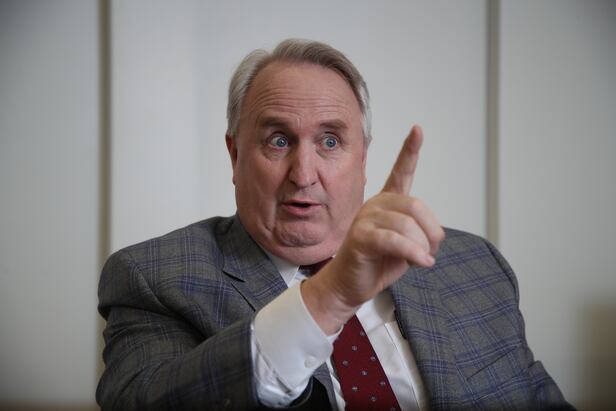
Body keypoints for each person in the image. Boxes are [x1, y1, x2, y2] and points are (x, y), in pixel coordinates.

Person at [97, 39, 573, 411]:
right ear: (235, 154)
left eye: (329, 141)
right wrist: (332, 296)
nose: (303, 175)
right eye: (278, 140)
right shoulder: (155, 277)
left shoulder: (471, 264)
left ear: (363, 159)